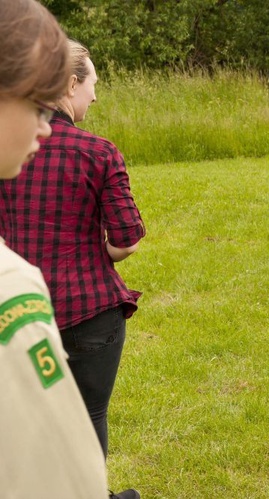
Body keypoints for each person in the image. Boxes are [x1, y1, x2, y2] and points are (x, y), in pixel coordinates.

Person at [0, 1, 140, 497]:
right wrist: (100, 246)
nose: (96, 97)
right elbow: (126, 237)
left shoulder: (13, 156)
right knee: (88, 417)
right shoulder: (98, 152)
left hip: (26, 309)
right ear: (69, 85)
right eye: (93, 85)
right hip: (86, 309)